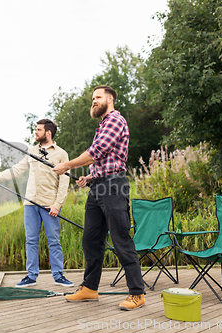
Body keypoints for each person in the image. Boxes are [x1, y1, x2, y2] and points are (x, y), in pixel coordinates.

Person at [52, 85, 145, 310]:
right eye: (92, 98)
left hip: (113, 187)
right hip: (99, 188)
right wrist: (90, 178)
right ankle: (90, 289)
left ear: (110, 99)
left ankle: (137, 294)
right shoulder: (102, 125)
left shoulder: (115, 120)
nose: (93, 101)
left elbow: (96, 152)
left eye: (98, 97)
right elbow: (102, 162)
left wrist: (67, 164)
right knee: (91, 239)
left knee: (121, 239)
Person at [0, 119, 74, 288]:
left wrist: (57, 205)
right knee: (31, 240)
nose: (35, 132)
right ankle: (31, 276)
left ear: (48, 132)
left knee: (53, 240)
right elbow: (17, 170)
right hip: (30, 203)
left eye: (38, 130)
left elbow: (64, 182)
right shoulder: (31, 151)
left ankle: (58, 276)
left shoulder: (61, 154)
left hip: (49, 205)